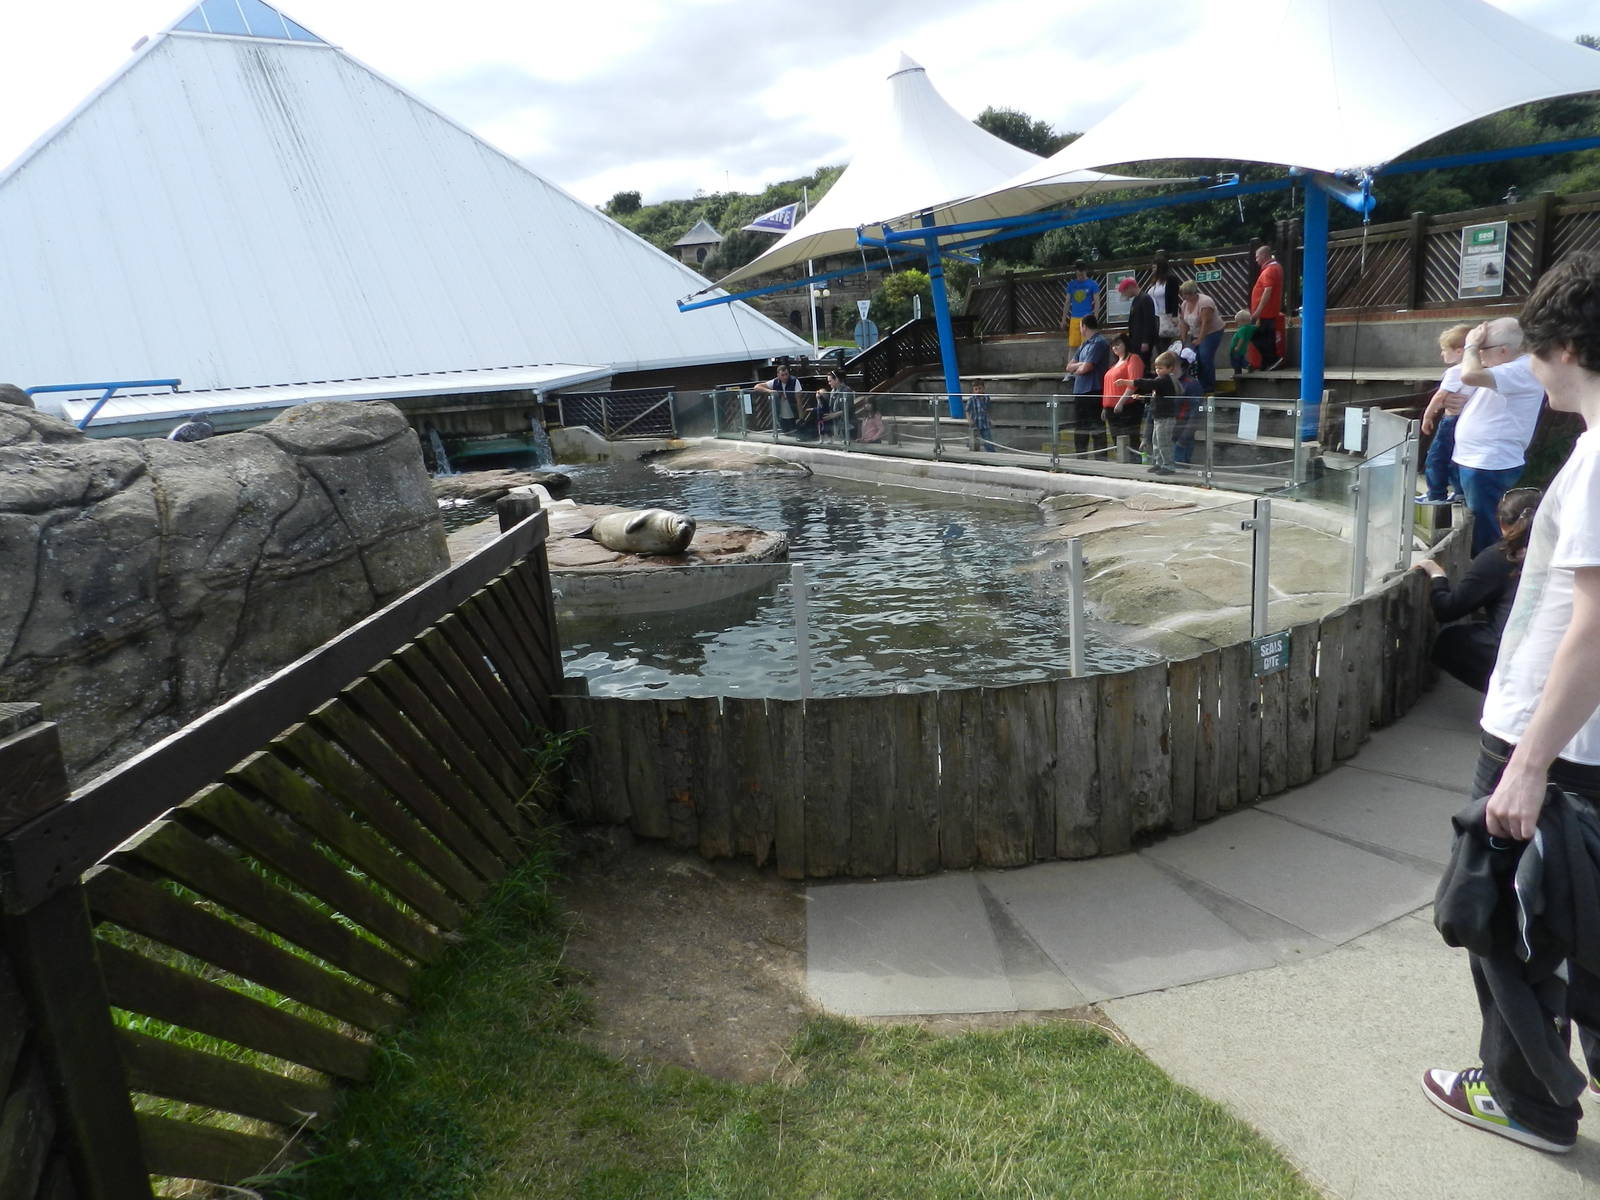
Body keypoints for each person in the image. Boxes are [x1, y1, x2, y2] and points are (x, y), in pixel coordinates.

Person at [1422, 249, 1600, 1155]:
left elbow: (1595, 625)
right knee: (1573, 918)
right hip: (1566, 735)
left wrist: (1529, 763)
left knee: (1506, 920)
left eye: (1535, 349)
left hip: (1553, 739)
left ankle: (1526, 1099)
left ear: (1567, 347)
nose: (1528, 367)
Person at [1413, 488, 1540, 691]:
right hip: (1554, 649)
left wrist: (1437, 575)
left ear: (1501, 523)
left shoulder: (1502, 557)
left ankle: (1501, 690)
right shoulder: (1557, 553)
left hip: (1514, 652)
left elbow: (1447, 610)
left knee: (1449, 641)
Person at [1453, 316, 1547, 556]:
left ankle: (1493, 580)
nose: (1478, 355)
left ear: (1504, 350)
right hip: (1479, 461)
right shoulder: (1507, 369)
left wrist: (1470, 345)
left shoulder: (1520, 369)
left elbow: (1468, 375)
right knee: (1479, 528)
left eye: (1483, 349)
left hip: (1488, 464)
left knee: (1488, 535)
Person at [1419, 325, 1475, 504]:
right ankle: (1459, 491)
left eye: (1444, 350)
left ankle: (1435, 493)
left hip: (1450, 420)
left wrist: (1428, 415)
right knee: (1456, 456)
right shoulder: (1477, 370)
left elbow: (1440, 395)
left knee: (1436, 455)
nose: (1442, 354)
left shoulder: (1455, 371)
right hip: (1466, 420)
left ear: (1459, 351)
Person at [1065, 314, 1111, 454]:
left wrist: (1079, 367)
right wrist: (1080, 366)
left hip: (1093, 389)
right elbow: (1069, 366)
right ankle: (1081, 456)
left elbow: (1087, 367)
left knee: (1096, 426)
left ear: (1084, 326)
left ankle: (1101, 458)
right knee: (1080, 427)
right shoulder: (1084, 344)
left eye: (1080, 327)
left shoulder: (1099, 342)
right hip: (1080, 390)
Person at [1130, 350, 1180, 475]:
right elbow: (1155, 398)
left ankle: (1168, 465)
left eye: (1161, 368)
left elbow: (1150, 384)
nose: (1158, 370)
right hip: (1158, 417)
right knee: (1156, 441)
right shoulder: (1160, 381)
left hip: (1166, 418)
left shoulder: (1165, 380)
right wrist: (1142, 398)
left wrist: (1131, 382)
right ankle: (1159, 462)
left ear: (1170, 368)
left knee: (1164, 442)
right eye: (1156, 368)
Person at [1102, 333, 1145, 456]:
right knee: (1117, 439)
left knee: (1129, 439)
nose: (1115, 347)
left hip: (1127, 407)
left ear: (1125, 344)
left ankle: (1133, 463)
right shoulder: (1115, 364)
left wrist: (1121, 402)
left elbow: (1133, 383)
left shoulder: (1133, 358)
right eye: (1113, 345)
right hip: (1111, 408)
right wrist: (1105, 407)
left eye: (1118, 344)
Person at [1178, 280, 1225, 392]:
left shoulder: (1205, 302)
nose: (1186, 297)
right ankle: (1198, 384)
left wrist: (1200, 339)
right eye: (1184, 294)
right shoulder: (1184, 304)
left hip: (1212, 332)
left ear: (1194, 292)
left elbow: (1206, 323)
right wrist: (1183, 339)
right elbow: (1184, 323)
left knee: (1205, 357)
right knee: (1194, 358)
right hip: (1195, 332)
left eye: (1189, 294)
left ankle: (1209, 386)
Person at [1249, 245, 1284, 370]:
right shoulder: (1277, 267)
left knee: (1254, 335)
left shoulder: (1269, 271)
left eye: (1257, 257)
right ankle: (1267, 363)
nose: (1256, 260)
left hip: (1264, 312)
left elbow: (1267, 291)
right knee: (1268, 337)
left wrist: (1257, 311)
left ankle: (1272, 360)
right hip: (1270, 311)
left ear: (1264, 256)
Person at [1060, 262, 1101, 354]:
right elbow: (1067, 302)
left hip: (1087, 318)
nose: (1080, 277)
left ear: (1085, 271)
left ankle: (1085, 366)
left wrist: (1095, 317)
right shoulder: (1072, 284)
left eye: (1082, 274)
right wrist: (1063, 320)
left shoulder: (1092, 284)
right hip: (1074, 318)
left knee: (1087, 344)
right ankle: (1070, 367)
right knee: (1073, 345)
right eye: (1078, 274)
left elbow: (1097, 302)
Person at [1174, 347, 1205, 464]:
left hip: (1181, 436)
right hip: (1166, 433)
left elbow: (1196, 414)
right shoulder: (1166, 382)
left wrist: (1183, 439)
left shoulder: (1192, 385)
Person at [1120, 276, 1159, 368]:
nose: (1125, 294)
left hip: (1142, 340)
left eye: (1125, 291)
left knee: (1143, 364)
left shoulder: (1145, 299)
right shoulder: (1136, 300)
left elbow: (1149, 321)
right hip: (1136, 340)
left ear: (1130, 287)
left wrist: (1145, 341)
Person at [1148, 255, 1184, 353]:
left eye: (1155, 267)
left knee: (1165, 342)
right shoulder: (1155, 281)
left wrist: (1174, 315)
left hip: (1166, 314)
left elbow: (1174, 297)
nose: (1153, 269)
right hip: (1155, 316)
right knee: (1157, 343)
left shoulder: (1171, 279)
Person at [753, 363, 802, 434]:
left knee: (794, 434)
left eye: (786, 374)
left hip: (793, 415)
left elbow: (799, 401)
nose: (785, 377)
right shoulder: (775, 382)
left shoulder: (794, 381)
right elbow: (757, 387)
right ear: (778, 375)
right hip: (781, 416)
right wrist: (770, 391)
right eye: (782, 375)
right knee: (785, 435)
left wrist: (800, 417)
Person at [815, 369, 854, 440]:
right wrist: (819, 398)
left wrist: (833, 415)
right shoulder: (833, 391)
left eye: (830, 381)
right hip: (836, 425)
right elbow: (829, 406)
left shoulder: (847, 391)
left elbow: (848, 409)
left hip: (847, 425)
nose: (829, 383)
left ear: (837, 379)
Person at [1229, 308, 1260, 375]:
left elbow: (1241, 339)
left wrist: (1237, 347)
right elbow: (1257, 326)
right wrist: (1258, 318)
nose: (1237, 324)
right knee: (1241, 359)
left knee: (1235, 361)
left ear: (1242, 321)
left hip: (1236, 349)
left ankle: (1237, 372)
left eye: (1238, 322)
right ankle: (1248, 366)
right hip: (1243, 349)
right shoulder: (1250, 328)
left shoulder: (1242, 329)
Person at [968, 379, 995, 452]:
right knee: (974, 438)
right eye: (976, 389)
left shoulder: (986, 398)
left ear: (983, 388)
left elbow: (988, 409)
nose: (978, 391)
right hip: (975, 422)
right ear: (973, 390)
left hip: (984, 422)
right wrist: (969, 420)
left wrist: (990, 419)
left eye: (980, 388)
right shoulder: (971, 399)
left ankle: (991, 451)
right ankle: (973, 450)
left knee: (987, 438)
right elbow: (967, 410)